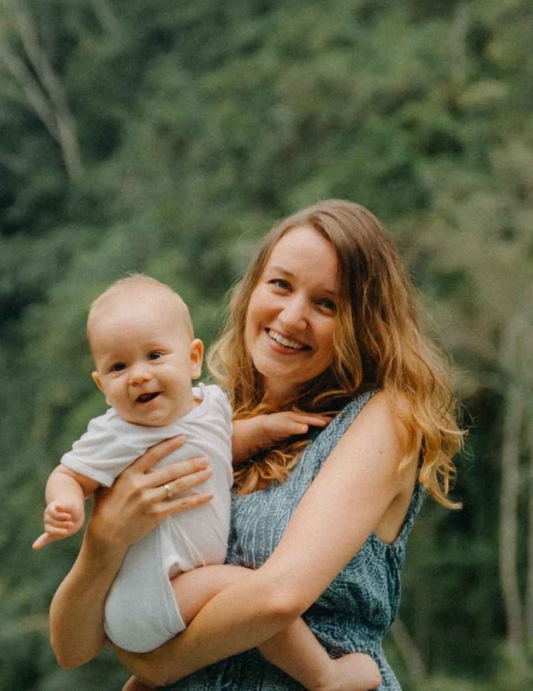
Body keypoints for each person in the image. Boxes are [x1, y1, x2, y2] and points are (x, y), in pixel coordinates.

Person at [48, 200, 464, 690]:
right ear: (252, 289)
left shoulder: (383, 418)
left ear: (364, 322)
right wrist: (105, 541)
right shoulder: (201, 424)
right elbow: (73, 649)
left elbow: (279, 596)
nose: (292, 316)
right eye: (281, 285)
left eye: (326, 304)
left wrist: (158, 666)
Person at [36, 274, 385, 691]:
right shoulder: (117, 433)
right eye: (118, 367)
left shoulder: (211, 406)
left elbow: (222, 443)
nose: (139, 376)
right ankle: (325, 676)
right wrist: (64, 504)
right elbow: (69, 473)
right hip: (150, 595)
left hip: (176, 591)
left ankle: (151, 680)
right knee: (246, 589)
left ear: (193, 358)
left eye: (154, 356)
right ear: (102, 385)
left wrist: (266, 429)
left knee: (234, 604)